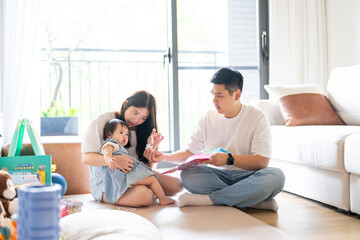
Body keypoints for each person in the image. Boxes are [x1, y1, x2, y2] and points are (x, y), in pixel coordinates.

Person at [144, 67, 285, 211]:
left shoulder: (257, 117)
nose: (214, 101)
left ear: (237, 95)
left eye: (219, 95)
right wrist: (165, 157)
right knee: (188, 175)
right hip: (218, 176)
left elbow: (261, 162)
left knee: (276, 176)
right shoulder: (208, 118)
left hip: (248, 176)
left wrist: (229, 159)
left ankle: (212, 199)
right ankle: (251, 200)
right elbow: (190, 152)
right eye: (212, 94)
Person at [82, 90, 182, 207]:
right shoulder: (103, 121)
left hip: (133, 176)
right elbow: (86, 158)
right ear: (126, 103)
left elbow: (148, 169)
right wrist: (115, 160)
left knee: (177, 185)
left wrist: (151, 152)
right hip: (110, 181)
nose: (136, 120)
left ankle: (142, 191)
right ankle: (108, 196)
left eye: (143, 118)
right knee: (145, 195)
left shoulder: (143, 129)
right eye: (135, 113)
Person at [93, 118, 174, 205]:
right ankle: (162, 199)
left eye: (127, 134)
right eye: (121, 132)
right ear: (110, 134)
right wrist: (109, 159)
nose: (125, 136)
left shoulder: (120, 148)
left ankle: (160, 198)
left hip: (124, 175)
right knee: (151, 179)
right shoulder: (110, 143)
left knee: (151, 179)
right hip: (120, 176)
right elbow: (106, 151)